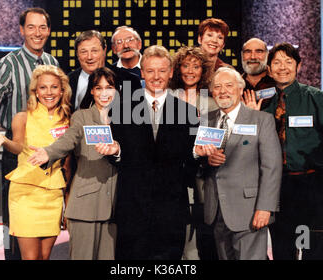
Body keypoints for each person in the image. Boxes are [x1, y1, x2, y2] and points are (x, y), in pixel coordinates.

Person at [0, 7, 58, 260]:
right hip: (18, 153)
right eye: (31, 27)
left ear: (48, 30)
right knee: (16, 229)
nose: (37, 33)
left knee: (44, 230)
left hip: (48, 155)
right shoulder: (9, 63)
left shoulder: (52, 63)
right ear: (21, 30)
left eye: (42, 27)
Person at [109, 45, 199, 259]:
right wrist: (116, 152)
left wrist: (198, 155)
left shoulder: (187, 112)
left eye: (161, 70)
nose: (156, 76)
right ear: (142, 73)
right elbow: (115, 155)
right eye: (150, 71)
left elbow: (191, 160)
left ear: (170, 73)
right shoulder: (121, 108)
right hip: (133, 208)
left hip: (171, 210)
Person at [260, 42, 323, 260]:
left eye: (289, 62)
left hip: (310, 184)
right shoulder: (263, 101)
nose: (283, 67)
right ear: (269, 69)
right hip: (276, 185)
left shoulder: (315, 98)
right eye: (277, 62)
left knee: (309, 245)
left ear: (298, 66)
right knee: (282, 247)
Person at [28, 67, 119, 260]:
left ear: (116, 90)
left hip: (116, 207)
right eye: (98, 88)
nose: (104, 93)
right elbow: (69, 139)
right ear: (92, 91)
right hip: (85, 206)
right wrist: (49, 152)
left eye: (109, 87)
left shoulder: (126, 120)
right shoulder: (82, 117)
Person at [0, 65, 71, 260]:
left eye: (54, 87)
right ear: (35, 92)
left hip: (53, 195)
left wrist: (68, 201)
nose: (49, 92)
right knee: (30, 258)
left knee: (44, 256)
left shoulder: (68, 120)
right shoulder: (22, 117)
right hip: (25, 194)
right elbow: (18, 146)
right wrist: (5, 141)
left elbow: (68, 165)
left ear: (62, 90)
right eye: (43, 87)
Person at [195, 67, 282, 260]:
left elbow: (272, 168)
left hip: (250, 211)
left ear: (241, 89)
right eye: (217, 86)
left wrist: (265, 207)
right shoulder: (206, 119)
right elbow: (199, 162)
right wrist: (206, 160)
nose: (223, 91)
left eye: (229, 85)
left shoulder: (261, 120)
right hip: (216, 211)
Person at [169, 45, 218, 260]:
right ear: (177, 69)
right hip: (173, 171)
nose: (190, 70)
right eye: (185, 65)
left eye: (196, 66)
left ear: (203, 70)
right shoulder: (167, 97)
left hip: (203, 172)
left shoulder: (211, 101)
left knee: (203, 227)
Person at [70, 30, 141, 111]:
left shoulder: (129, 80)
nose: (89, 57)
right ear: (77, 54)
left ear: (104, 50)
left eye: (94, 51)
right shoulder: (67, 81)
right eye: (84, 52)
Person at [241, 38, 276, 110]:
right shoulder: (234, 85)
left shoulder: (278, 84)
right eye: (248, 52)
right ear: (242, 55)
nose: (253, 57)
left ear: (267, 55)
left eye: (259, 52)